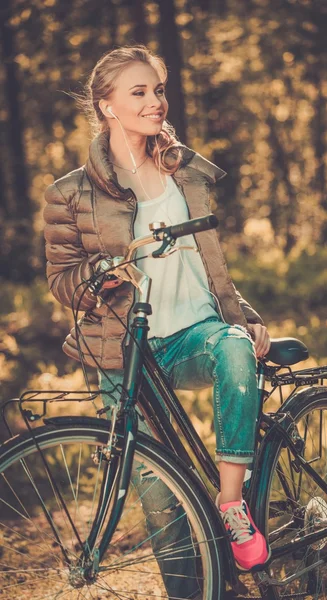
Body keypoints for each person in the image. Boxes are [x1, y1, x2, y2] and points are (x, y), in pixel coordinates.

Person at [43, 45, 271, 596]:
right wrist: (97, 274)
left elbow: (209, 263)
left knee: (235, 347)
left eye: (159, 90)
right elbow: (61, 281)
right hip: (123, 349)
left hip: (194, 333)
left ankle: (231, 503)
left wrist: (248, 318)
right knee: (158, 489)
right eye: (139, 92)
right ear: (107, 106)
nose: (155, 102)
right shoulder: (70, 193)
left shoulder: (184, 171)